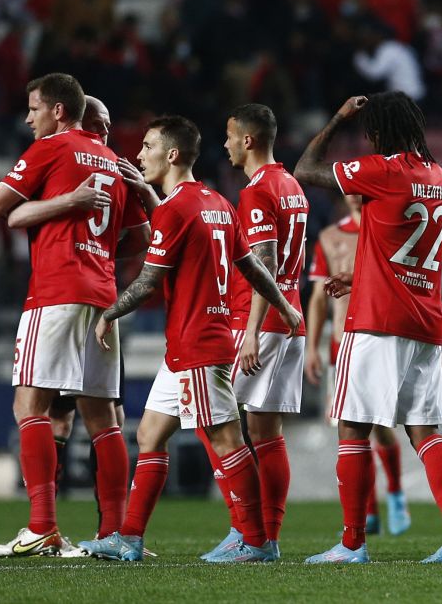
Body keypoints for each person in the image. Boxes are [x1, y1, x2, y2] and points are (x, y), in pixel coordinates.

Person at [77, 115, 301, 562]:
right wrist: (284, 303)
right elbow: (252, 266)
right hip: (185, 347)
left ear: (172, 154)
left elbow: (146, 282)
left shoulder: (179, 207)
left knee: (225, 441)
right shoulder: (214, 201)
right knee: (150, 434)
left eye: (147, 146)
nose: (140, 155)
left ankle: (256, 540)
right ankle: (130, 538)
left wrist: (108, 313)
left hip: (198, 344)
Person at [293, 91, 442, 564]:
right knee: (424, 430)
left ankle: (352, 544)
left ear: (377, 132)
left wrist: (337, 118)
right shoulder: (440, 177)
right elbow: (403, 245)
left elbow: (305, 169)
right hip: (424, 319)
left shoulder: (381, 170)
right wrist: (361, 272)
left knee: (353, 429)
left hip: (375, 321)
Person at [0, 75, 150, 557]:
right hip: (103, 294)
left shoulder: (52, 148)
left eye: (33, 108)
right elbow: (139, 239)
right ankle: (113, 534)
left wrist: (54, 209)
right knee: (103, 419)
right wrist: (97, 248)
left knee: (27, 408)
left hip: (55, 291)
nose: (28, 118)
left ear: (58, 111)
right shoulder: (116, 165)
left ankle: (43, 526)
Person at [197, 104, 309, 561]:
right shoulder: (293, 186)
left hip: (260, 323)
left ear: (247, 140)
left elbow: (263, 264)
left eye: (228, 135)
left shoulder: (259, 191)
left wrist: (249, 333)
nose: (223, 144)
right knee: (266, 431)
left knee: (209, 417)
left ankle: (247, 530)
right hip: (292, 318)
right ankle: (267, 537)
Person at [305, 195, 411, 537]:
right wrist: (312, 347)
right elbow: (320, 296)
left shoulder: (386, 230)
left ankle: (394, 493)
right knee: (351, 432)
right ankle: (369, 514)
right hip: (341, 343)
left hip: (378, 336)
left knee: (379, 426)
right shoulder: (329, 236)